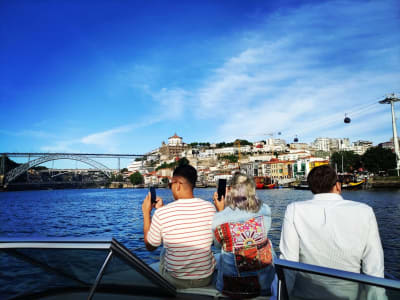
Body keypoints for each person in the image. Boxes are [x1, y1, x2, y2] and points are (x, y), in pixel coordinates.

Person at [280, 165, 385, 299]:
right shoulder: (365, 211)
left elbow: (289, 262)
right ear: (338, 186)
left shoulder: (294, 209)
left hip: (304, 295)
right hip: (349, 295)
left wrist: (284, 296)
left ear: (312, 188)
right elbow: (374, 264)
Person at [142, 163, 216, 288]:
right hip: (205, 278)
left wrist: (146, 214)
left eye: (170, 184)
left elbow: (150, 246)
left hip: (176, 280)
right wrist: (162, 209)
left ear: (177, 185)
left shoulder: (162, 214)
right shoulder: (210, 208)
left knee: (163, 249)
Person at [212, 172, 276, 298]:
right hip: (265, 285)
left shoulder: (219, 219)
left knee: (220, 254)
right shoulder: (265, 210)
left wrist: (221, 211)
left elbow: (218, 246)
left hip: (231, 288)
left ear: (231, 192)